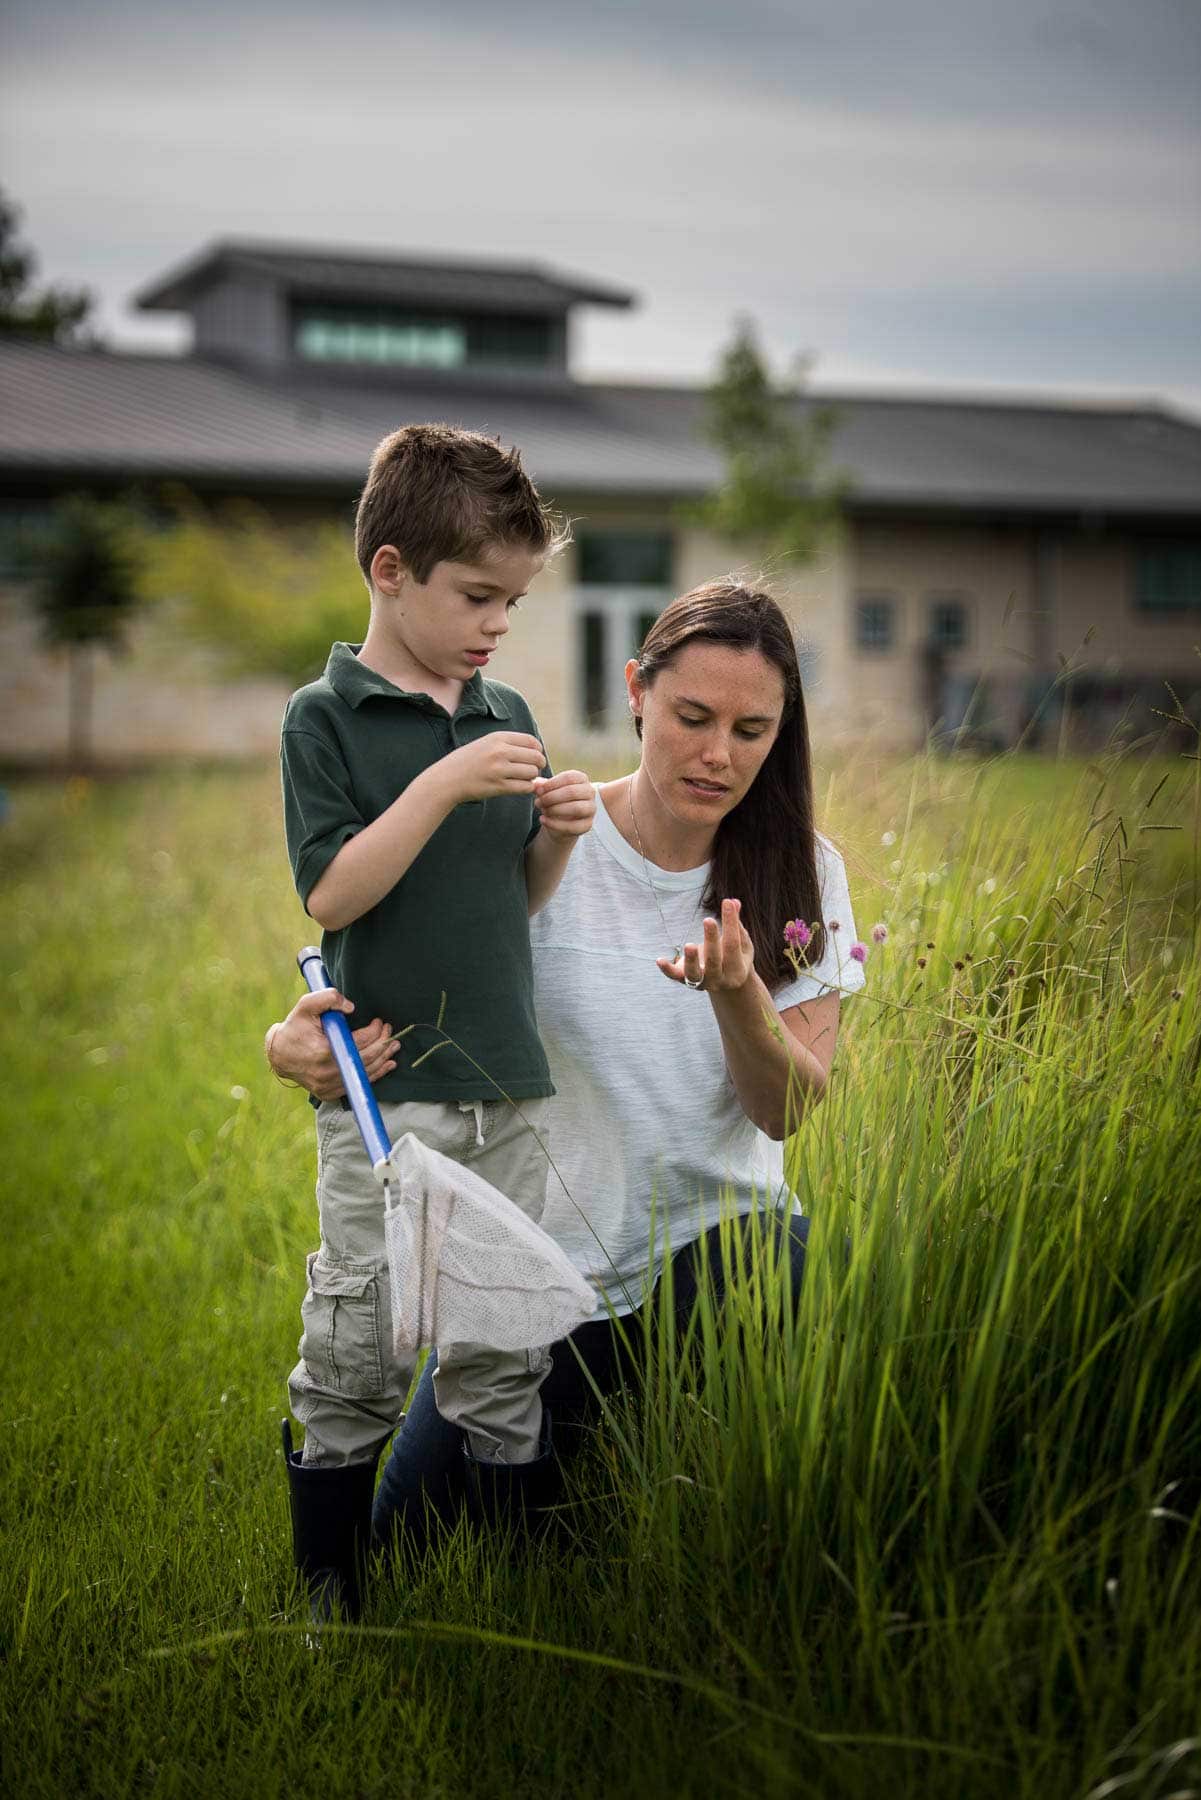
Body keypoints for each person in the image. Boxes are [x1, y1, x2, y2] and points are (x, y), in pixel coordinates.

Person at [268, 579, 865, 1567]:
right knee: (419, 1545)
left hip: (716, 1263)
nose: (718, 755)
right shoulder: (543, 830)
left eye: (752, 730)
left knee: (764, 1278)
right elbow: (382, 987)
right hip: (539, 1280)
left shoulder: (805, 873)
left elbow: (787, 1109)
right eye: (692, 717)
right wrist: (288, 1047)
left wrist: (738, 993)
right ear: (635, 690)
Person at [276, 423, 596, 1619]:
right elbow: (332, 891)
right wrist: (442, 781)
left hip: (503, 1080)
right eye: (476, 596)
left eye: (510, 603)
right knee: (363, 1340)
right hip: (387, 1092)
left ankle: (509, 1597)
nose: (494, 626)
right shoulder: (325, 716)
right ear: (391, 570)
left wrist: (555, 837)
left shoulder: (503, 706)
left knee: (499, 1344)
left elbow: (510, 903)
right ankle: (331, 1598)